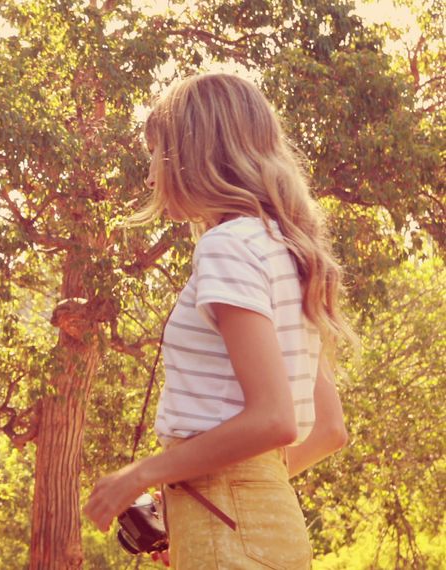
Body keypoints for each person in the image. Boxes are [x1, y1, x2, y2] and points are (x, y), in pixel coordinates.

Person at [84, 73, 354, 569]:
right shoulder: (289, 249)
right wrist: (198, 501)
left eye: (156, 155)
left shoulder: (227, 246)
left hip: (231, 528)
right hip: (266, 521)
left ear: (194, 154)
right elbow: (329, 429)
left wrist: (140, 475)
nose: (149, 177)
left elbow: (273, 417)